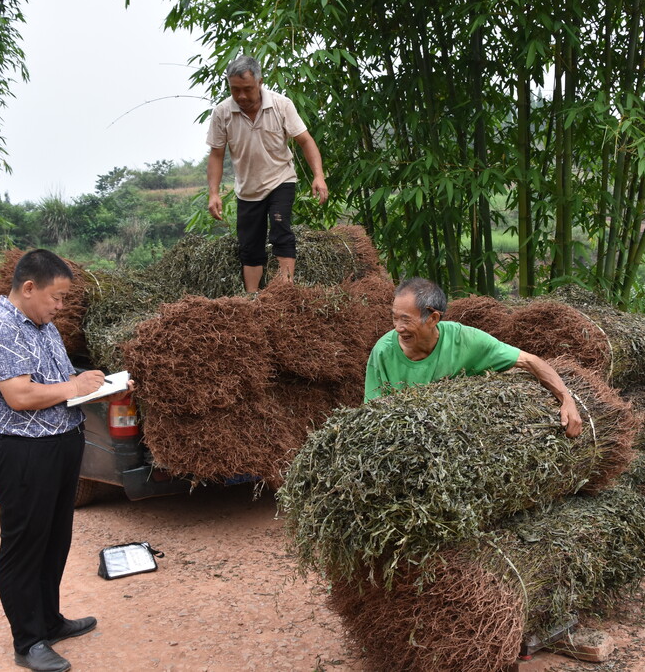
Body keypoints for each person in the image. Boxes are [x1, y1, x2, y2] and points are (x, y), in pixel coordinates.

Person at [0, 249, 133, 672]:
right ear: (28, 288)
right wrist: (73, 386)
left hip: (60, 445)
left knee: (54, 539)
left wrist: (95, 388)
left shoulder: (41, 326)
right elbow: (21, 395)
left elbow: (58, 386)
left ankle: (49, 620)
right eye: (56, 297)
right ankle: (28, 641)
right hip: (24, 453)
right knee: (24, 547)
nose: (60, 306)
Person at [365, 278, 584, 438]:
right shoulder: (383, 352)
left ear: (433, 319)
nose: (398, 328)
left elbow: (530, 361)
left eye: (406, 319)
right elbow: (372, 416)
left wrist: (567, 399)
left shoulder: (465, 340)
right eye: (394, 318)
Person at [206, 54, 329, 293]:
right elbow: (216, 154)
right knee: (249, 245)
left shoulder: (281, 105)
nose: (241, 96)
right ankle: (253, 298)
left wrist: (319, 176)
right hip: (247, 189)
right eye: (235, 90)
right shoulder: (222, 112)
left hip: (280, 179)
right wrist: (214, 193)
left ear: (260, 82)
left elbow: (305, 141)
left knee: (280, 229)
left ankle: (285, 291)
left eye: (247, 89)